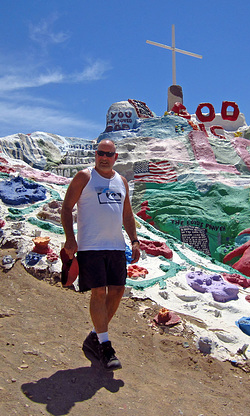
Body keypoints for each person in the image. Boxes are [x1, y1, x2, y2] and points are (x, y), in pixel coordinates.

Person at [60, 139, 140, 370]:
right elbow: (66, 208)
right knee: (98, 291)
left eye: (109, 154)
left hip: (115, 245)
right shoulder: (84, 177)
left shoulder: (121, 181)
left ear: (116, 158)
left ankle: (95, 336)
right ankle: (105, 346)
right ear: (95, 155)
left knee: (117, 291)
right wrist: (70, 238)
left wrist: (134, 241)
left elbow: (127, 215)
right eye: (100, 153)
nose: (104, 157)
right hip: (91, 246)